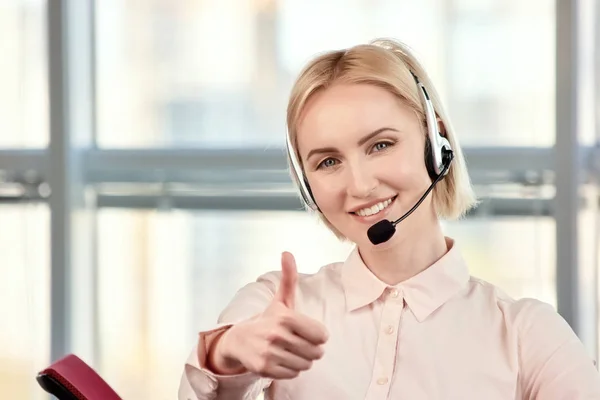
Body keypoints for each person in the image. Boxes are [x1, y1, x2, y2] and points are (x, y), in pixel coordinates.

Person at [178, 38, 600, 399]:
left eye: (380, 145)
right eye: (328, 161)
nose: (359, 185)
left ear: (437, 141)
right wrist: (229, 351)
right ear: (307, 185)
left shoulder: (528, 335)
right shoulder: (278, 305)